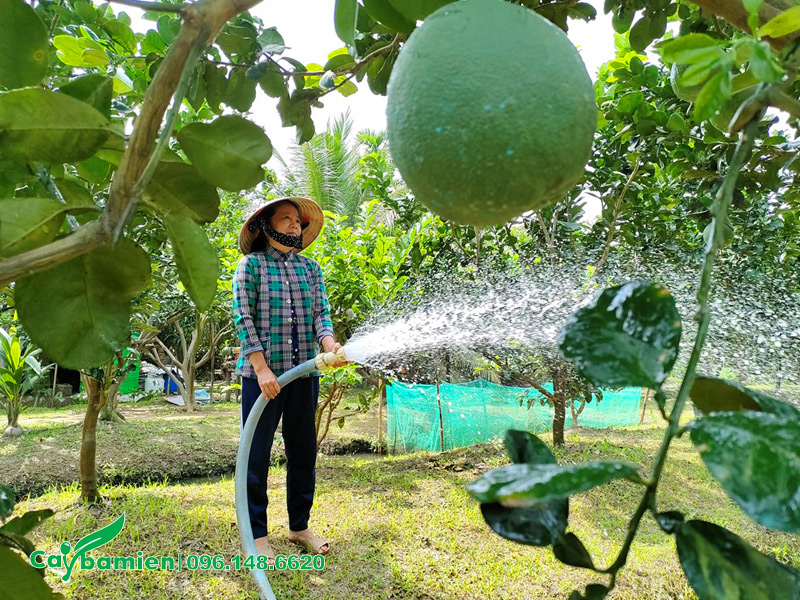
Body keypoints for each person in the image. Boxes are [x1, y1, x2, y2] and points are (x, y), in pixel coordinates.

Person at [232, 197, 344, 565]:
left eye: (298, 221)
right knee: (256, 455)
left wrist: (329, 344)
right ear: (265, 226)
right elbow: (243, 318)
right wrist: (262, 369)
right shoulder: (251, 266)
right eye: (286, 219)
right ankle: (258, 534)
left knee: (303, 451)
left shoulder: (311, 269)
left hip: (304, 374)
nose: (295, 225)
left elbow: (321, 315)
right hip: (263, 377)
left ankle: (299, 526)